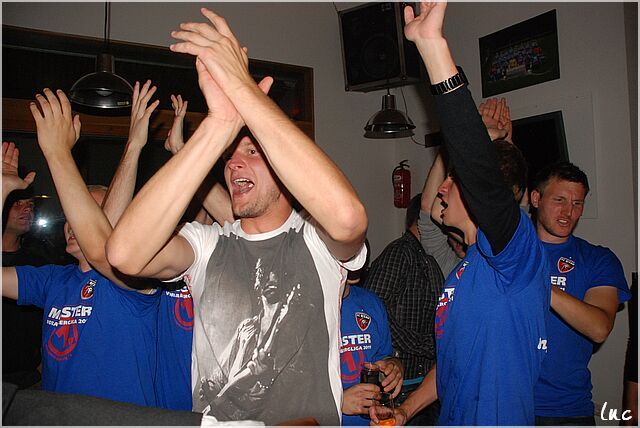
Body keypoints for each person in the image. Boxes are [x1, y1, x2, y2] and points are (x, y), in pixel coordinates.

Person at [106, 8, 367, 425]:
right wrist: (218, 125)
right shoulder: (207, 244)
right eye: (230, 154)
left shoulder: (314, 240)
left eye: (252, 151)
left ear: (283, 165)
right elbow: (125, 254)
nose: (232, 164)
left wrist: (244, 90)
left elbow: (348, 219)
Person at [370, 2, 550, 425]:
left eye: (454, 179)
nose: (441, 187)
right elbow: (452, 362)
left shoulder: (516, 257)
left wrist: (433, 48)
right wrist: (405, 411)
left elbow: (481, 174)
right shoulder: (466, 269)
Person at [2, 83, 161, 406]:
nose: (75, 224)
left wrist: (132, 146)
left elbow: (105, 244)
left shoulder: (133, 278)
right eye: (72, 215)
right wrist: (3, 192)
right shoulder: (53, 279)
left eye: (89, 215)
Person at [529, 162, 631, 425]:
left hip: (566, 409)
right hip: (504, 401)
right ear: (536, 198)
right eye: (559, 200)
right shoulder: (511, 253)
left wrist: (538, 282)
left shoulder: (597, 259)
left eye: (577, 203)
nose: (568, 212)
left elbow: (599, 328)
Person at [155, 93, 234, 411]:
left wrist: (183, 151)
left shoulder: (229, 250)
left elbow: (235, 223)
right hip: (167, 401)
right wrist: (183, 153)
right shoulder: (171, 251)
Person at [363, 193, 443, 425]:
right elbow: (372, 310)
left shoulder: (428, 257)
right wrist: (425, 345)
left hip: (422, 388)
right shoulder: (400, 252)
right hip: (399, 389)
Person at [418, 97, 515, 277]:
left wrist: (495, 145)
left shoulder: (504, 254)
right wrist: (460, 143)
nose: (442, 188)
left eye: (454, 180)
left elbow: (508, 196)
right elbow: (430, 209)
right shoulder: (459, 265)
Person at [340, 267, 403, 426]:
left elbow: (383, 357)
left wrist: (393, 367)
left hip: (372, 421)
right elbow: (287, 388)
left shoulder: (371, 302)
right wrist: (337, 401)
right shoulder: (303, 308)